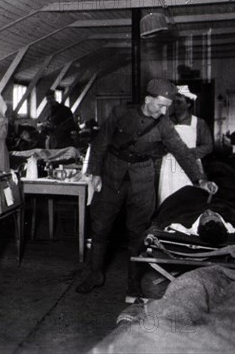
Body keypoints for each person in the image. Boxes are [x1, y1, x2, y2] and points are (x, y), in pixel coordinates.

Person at [77, 78, 218, 295]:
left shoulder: (164, 124)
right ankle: (95, 274)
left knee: (138, 231)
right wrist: (95, 173)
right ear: (147, 99)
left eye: (167, 107)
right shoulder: (120, 113)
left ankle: (133, 282)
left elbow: (181, 151)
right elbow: (100, 143)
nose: (163, 111)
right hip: (112, 174)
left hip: (142, 180)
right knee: (100, 226)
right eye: (160, 105)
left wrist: (200, 179)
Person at [157, 86, 214, 204]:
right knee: (167, 198)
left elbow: (208, 146)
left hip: (191, 165)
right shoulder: (166, 122)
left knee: (189, 200)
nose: (175, 105)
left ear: (188, 104)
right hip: (169, 166)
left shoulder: (198, 123)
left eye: (179, 102)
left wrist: (188, 153)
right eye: (173, 102)